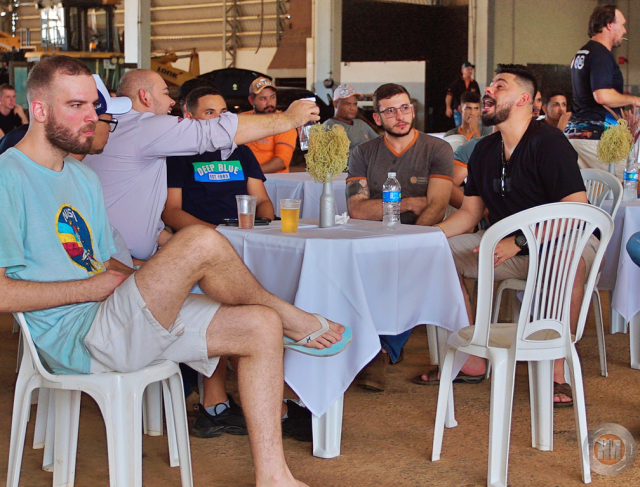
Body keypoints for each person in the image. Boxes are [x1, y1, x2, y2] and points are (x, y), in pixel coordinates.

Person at [0, 55, 349, 487]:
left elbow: (104, 261)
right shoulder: (9, 178)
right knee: (199, 240)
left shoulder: (81, 176)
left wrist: (157, 278)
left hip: (113, 312)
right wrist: (92, 288)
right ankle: (294, 316)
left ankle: (274, 477)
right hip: (78, 337)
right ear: (39, 110)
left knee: (260, 325)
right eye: (77, 106)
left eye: (93, 105)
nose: (92, 116)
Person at [417, 64, 598, 408]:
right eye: (489, 85)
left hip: (561, 240)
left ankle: (557, 368)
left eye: (499, 86)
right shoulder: (484, 150)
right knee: (439, 254)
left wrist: (519, 241)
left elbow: (576, 208)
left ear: (524, 99)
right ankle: (471, 357)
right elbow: (470, 214)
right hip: (504, 246)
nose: (488, 90)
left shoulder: (549, 141)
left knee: (568, 262)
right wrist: (423, 238)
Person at [163, 87, 315, 441]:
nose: (219, 119)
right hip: (201, 248)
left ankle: (257, 402)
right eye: (209, 113)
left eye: (223, 113)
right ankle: (220, 405)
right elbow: (171, 211)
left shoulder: (241, 151)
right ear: (188, 117)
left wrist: (264, 223)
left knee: (276, 297)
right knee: (227, 307)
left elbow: (261, 201)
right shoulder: (178, 155)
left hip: (248, 241)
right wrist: (213, 237)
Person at [83, 69, 319, 260]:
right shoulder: (145, 126)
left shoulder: (125, 129)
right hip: (122, 260)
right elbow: (214, 133)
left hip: (128, 253)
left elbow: (145, 217)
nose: (172, 101)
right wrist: (290, 118)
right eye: (165, 93)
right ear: (145, 97)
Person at [346, 83, 454, 391]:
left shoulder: (437, 149)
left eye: (405, 107)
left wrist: (410, 240)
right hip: (370, 239)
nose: (400, 115)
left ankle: (379, 350)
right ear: (377, 118)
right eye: (390, 110)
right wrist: (406, 203)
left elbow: (437, 205)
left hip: (421, 237)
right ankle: (367, 346)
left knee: (410, 266)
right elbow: (357, 209)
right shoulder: (363, 153)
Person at [565, 4, 640, 178]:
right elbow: (602, 95)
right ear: (609, 25)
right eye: (622, 24)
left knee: (593, 190)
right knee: (631, 180)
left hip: (576, 135)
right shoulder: (601, 54)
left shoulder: (583, 52)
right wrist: (635, 100)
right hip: (595, 138)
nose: (625, 30)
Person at [244, 77, 297, 174]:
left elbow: (281, 161)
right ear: (251, 101)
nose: (269, 103)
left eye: (272, 97)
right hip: (244, 179)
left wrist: (248, 172)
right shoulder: (243, 119)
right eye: (263, 98)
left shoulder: (284, 124)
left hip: (273, 180)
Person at [323, 84, 378, 152]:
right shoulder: (329, 127)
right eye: (348, 104)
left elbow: (379, 143)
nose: (353, 108)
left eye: (355, 104)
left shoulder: (361, 124)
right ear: (335, 104)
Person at [445, 62, 480, 128]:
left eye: (471, 69)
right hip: (459, 111)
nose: (470, 71)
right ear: (462, 71)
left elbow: (478, 98)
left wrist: (479, 110)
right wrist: (448, 108)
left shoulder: (474, 83)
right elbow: (449, 96)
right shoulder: (457, 82)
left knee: (471, 128)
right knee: (460, 128)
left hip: (471, 111)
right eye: (468, 69)